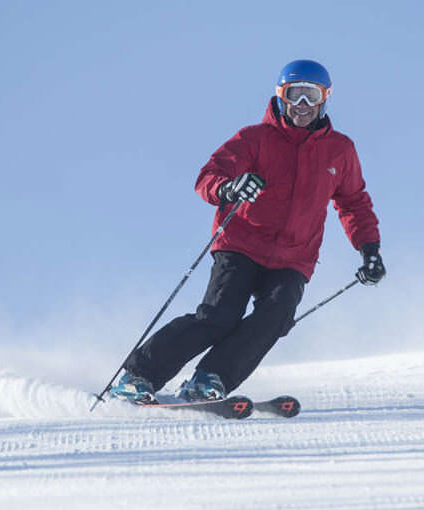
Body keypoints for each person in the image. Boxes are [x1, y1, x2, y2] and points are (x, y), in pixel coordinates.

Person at [110, 59, 385, 403]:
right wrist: (228, 188)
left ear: (324, 99)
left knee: (276, 317)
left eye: (310, 96)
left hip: (294, 257)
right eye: (294, 95)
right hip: (241, 243)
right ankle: (139, 375)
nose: (301, 105)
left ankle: (211, 379)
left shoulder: (340, 150)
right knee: (219, 316)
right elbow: (209, 175)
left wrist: (369, 249)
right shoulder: (254, 139)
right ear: (280, 96)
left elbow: (353, 202)